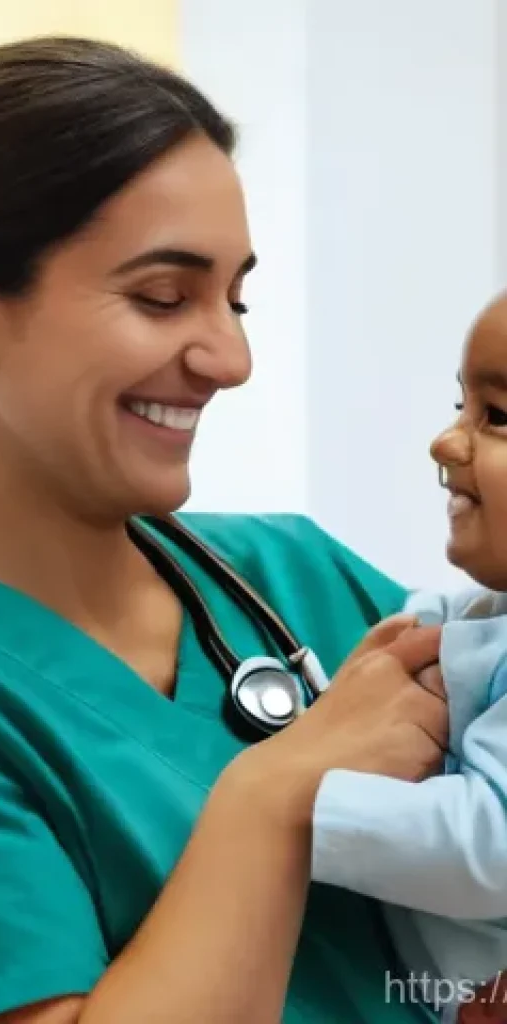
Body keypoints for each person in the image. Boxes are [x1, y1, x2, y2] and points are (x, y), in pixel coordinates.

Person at [0, 37, 449, 1024]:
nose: (230, 356)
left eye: (234, 297)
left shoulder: (296, 575)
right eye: (163, 296)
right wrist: (275, 793)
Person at [309, 292, 507, 1024]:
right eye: (463, 405)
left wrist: (298, 805)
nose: (446, 441)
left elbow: (493, 846)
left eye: (499, 417)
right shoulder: (476, 612)